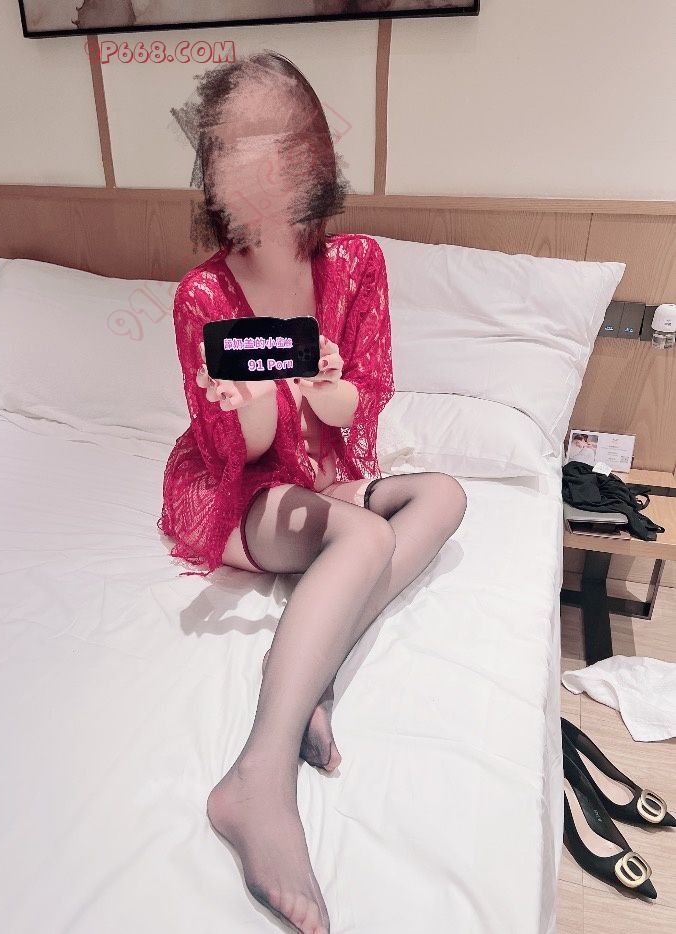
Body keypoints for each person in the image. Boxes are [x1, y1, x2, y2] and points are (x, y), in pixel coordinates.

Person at [157, 51, 467, 934]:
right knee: (365, 538)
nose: (258, 166)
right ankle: (258, 776)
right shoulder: (204, 293)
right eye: (236, 147)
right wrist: (254, 402)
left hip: (319, 474)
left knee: (444, 496)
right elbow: (240, 448)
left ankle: (311, 673)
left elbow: (361, 396)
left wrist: (323, 389)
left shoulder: (358, 263)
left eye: (278, 143)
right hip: (237, 487)